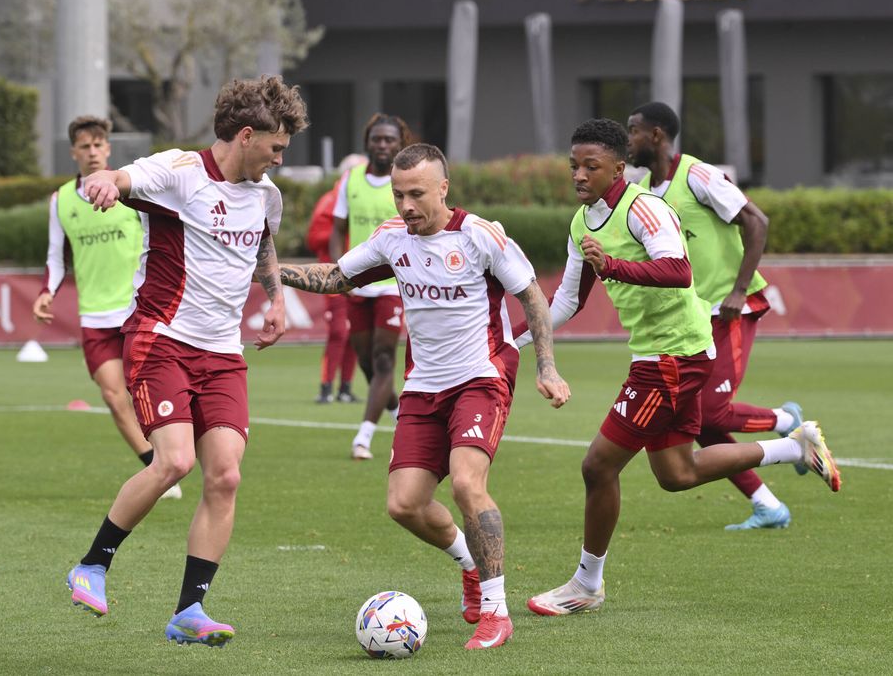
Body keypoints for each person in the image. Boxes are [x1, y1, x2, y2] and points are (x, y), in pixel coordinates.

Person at [523, 119, 840, 618]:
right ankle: (794, 445)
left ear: (618, 169)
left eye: (591, 166)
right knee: (677, 473)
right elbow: (566, 300)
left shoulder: (645, 209)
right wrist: (514, 340)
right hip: (663, 354)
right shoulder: (581, 222)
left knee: (597, 466)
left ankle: (586, 584)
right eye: (573, 166)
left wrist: (613, 266)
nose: (579, 175)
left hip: (672, 358)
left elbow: (677, 270)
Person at [276, 143, 571, 650]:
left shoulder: (479, 236)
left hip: (481, 376)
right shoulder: (392, 238)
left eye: (416, 194)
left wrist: (547, 365)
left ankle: (496, 613)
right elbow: (336, 277)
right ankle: (471, 565)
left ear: (443, 188)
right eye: (398, 195)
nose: (406, 205)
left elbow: (532, 296)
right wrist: (271, 270)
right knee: (404, 504)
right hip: (423, 385)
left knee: (466, 483)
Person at [64, 76, 308, 646]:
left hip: (223, 354)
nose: (279, 158)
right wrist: (102, 181)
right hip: (162, 340)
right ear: (246, 135)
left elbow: (263, 243)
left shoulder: (265, 194)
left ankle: (189, 611)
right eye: (275, 147)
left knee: (225, 475)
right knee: (174, 461)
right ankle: (92, 565)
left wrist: (275, 299)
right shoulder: (179, 171)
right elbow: (121, 178)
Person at [627, 101, 802, 530]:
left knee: (712, 412)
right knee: (697, 420)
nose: (627, 139)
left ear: (656, 135)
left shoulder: (697, 175)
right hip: (691, 323)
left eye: (633, 130)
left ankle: (787, 421)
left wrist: (738, 290)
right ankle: (767, 505)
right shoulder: (644, 192)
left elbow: (756, 221)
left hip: (729, 309)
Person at [32, 116, 180, 501]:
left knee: (146, 391)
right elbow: (56, 256)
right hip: (95, 317)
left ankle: (171, 457)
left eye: (99, 144)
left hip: (139, 310)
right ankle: (155, 466)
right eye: (85, 146)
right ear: (73, 153)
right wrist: (47, 291)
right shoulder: (61, 200)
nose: (93, 152)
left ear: (108, 149)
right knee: (114, 397)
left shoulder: (131, 191)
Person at [329, 114, 413, 459]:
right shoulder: (351, 180)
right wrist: (340, 275)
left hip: (393, 284)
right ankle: (398, 413)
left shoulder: (405, 183)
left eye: (389, 139)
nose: (382, 145)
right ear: (367, 142)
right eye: (377, 138)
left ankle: (362, 437)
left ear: (400, 143)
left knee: (382, 358)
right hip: (357, 283)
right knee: (367, 361)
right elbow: (337, 230)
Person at [304, 156, 366, 404]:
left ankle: (345, 388)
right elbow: (314, 237)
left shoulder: (363, 200)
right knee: (339, 332)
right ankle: (326, 386)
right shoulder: (330, 201)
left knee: (356, 334)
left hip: (361, 275)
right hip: (335, 277)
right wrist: (342, 230)